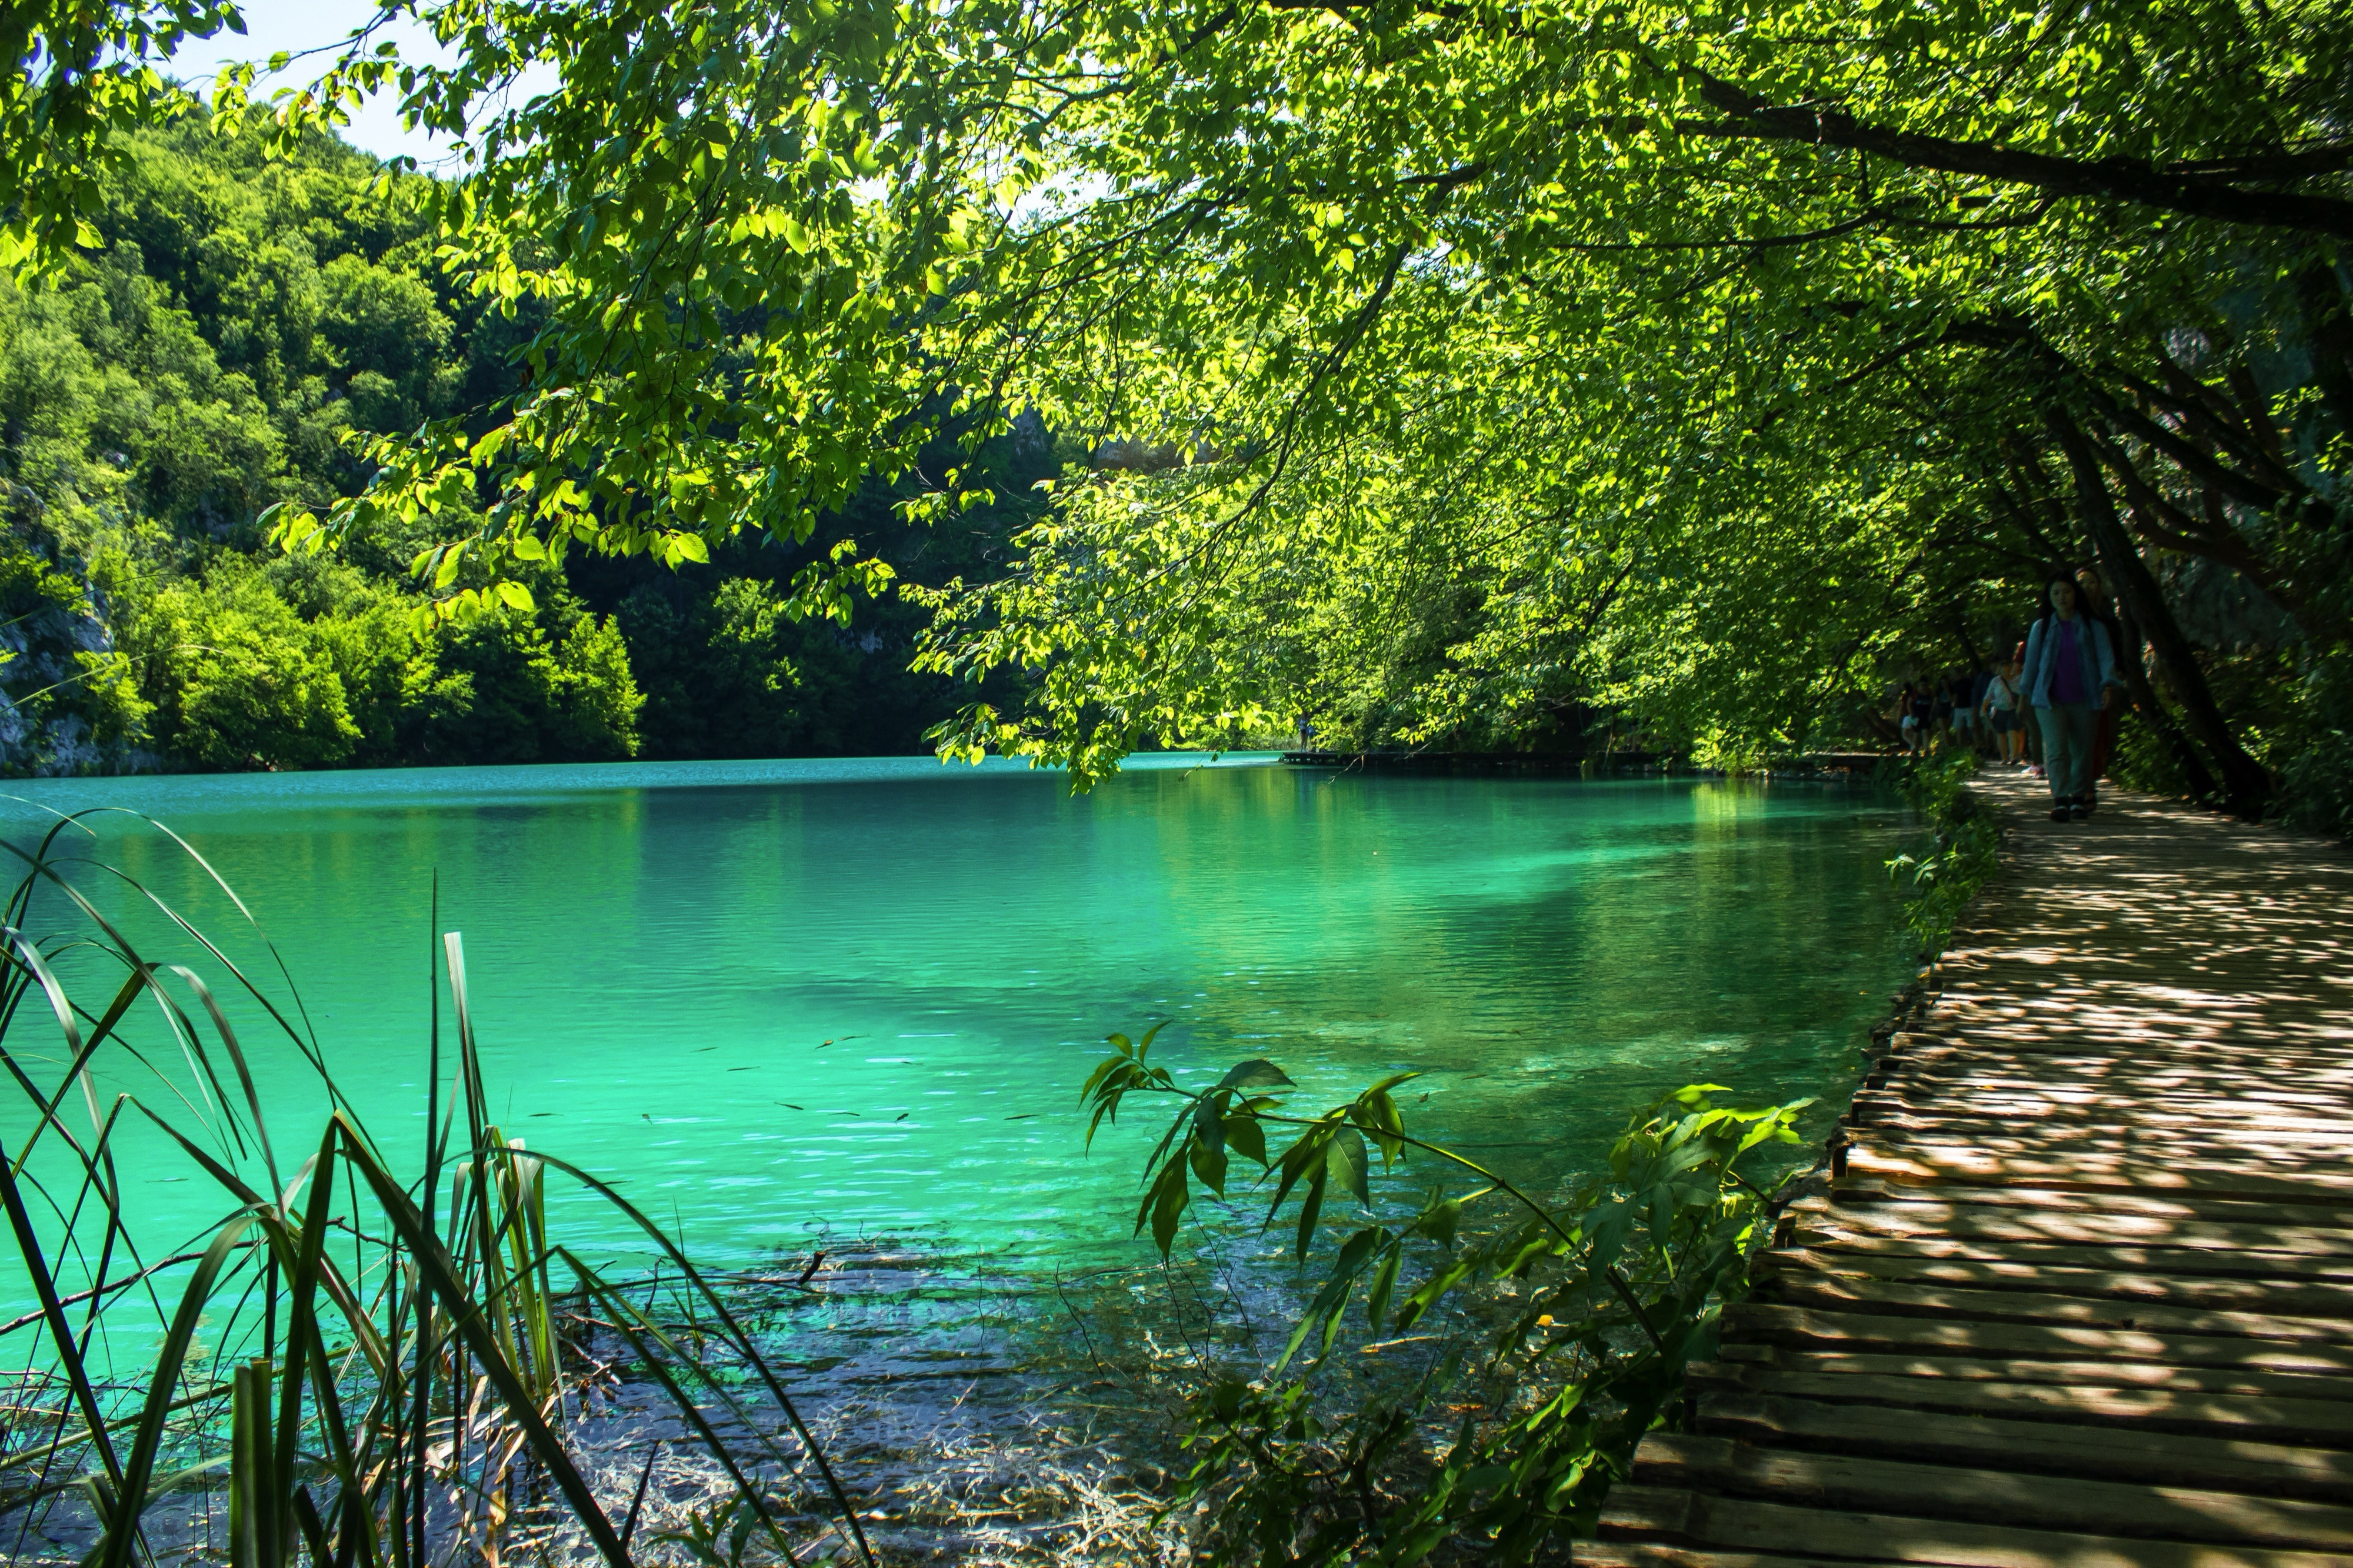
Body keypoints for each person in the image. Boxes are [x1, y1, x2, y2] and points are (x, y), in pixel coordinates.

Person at [2019, 573, 2123, 822]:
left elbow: (2105, 658)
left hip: (2087, 698)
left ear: (2076, 594)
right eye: (2056, 593)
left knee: (2083, 751)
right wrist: (2024, 696)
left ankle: (2078, 799)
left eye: (2066, 592)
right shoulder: (2041, 627)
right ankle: (2060, 800)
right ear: (2049, 598)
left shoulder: (2093, 626)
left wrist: (2108, 686)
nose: (2061, 598)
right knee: (2056, 750)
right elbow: (2031, 664)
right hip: (2048, 699)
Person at [2075, 565, 2125, 784]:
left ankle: (2095, 771)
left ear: (2100, 587)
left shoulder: (2107, 619)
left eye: (2091, 582)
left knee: (2100, 727)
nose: (2086, 587)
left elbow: (2117, 649)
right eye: (2082, 583)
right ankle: (2079, 775)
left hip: (2101, 681)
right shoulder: (2067, 618)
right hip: (2073, 681)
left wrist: (2116, 675)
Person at [1981, 651, 2025, 767]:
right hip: (1999, 710)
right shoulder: (1995, 681)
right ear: (2000, 670)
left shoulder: (2018, 679)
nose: (2005, 672)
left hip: (2013, 709)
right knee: (2001, 734)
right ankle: (2004, 758)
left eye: (2007, 669)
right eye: (2003, 670)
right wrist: (1984, 708)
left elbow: (2024, 693)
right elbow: (1988, 696)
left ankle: (2014, 757)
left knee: (2013, 731)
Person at [1948, 668, 1979, 755]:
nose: (1952, 675)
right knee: (1959, 729)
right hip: (1958, 708)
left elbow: (1974, 693)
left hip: (1969, 707)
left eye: (1953, 673)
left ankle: (1978, 747)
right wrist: (1953, 705)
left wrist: (1975, 705)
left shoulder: (1968, 681)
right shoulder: (1954, 684)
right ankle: (1961, 749)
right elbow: (1954, 696)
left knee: (1972, 727)